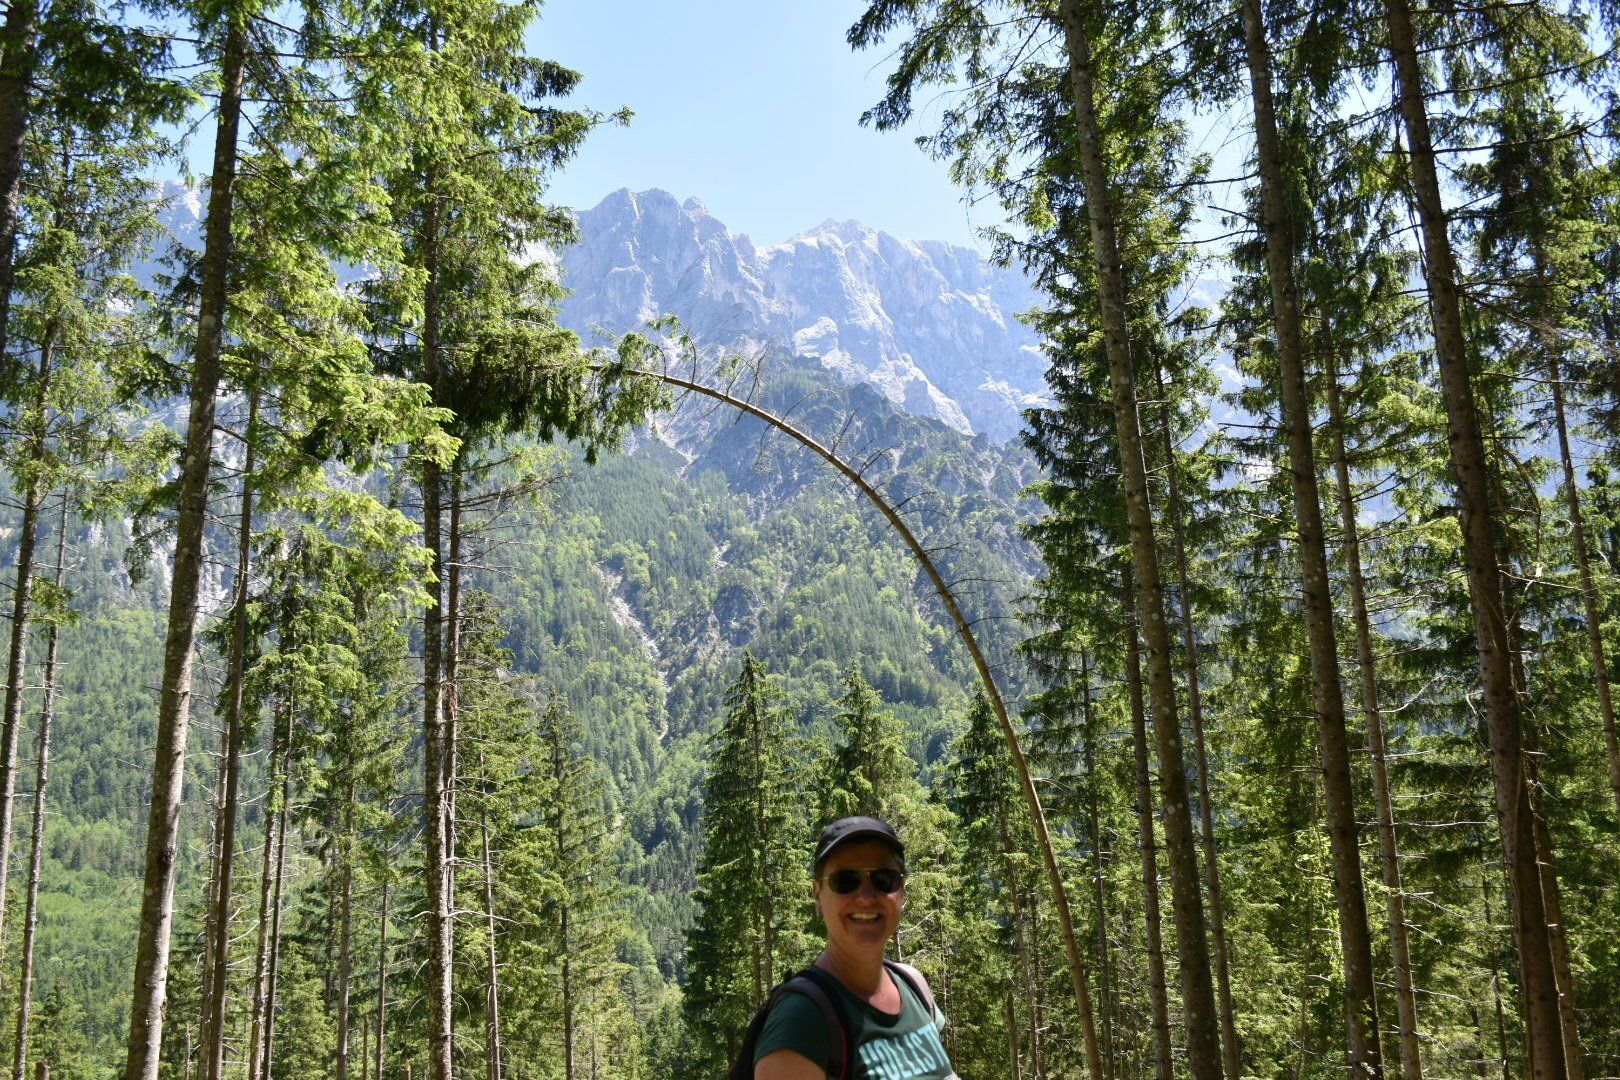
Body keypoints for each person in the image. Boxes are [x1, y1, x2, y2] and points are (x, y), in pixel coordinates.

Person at [752, 816, 959, 1079]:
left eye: (884, 879)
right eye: (845, 880)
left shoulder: (914, 986)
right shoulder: (800, 1023)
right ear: (817, 895)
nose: (866, 897)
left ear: (902, 892)